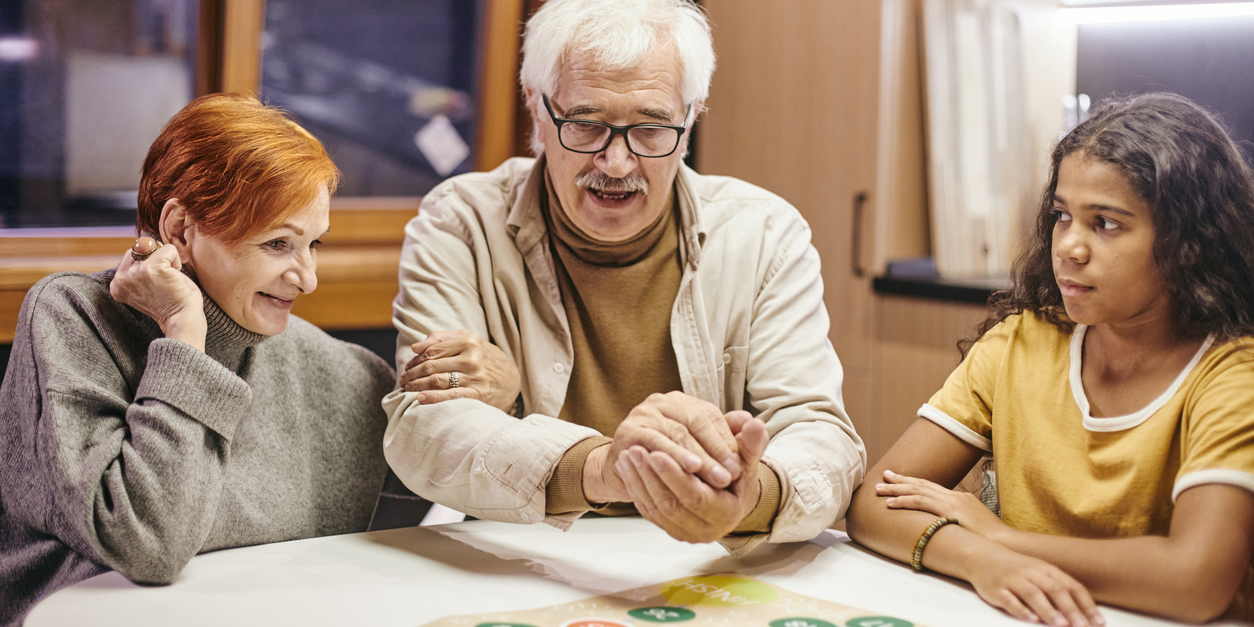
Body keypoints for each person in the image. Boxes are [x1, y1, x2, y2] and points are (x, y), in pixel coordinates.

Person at [381, 0, 864, 554]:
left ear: (690, 120)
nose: (615, 163)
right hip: (523, 555)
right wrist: (606, 467)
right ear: (538, 111)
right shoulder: (462, 223)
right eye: (585, 125)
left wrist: (750, 494)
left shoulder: (764, 235)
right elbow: (425, 433)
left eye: (652, 128)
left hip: (709, 564)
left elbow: (824, 436)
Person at [845, 92, 1254, 624]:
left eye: (1105, 223)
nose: (1069, 247)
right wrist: (981, 559)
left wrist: (1000, 537)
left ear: (1190, 243)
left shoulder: (1232, 374)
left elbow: (1194, 580)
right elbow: (873, 506)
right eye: (1062, 216)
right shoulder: (1020, 344)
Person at [0, 93, 396, 626]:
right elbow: (147, 545)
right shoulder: (72, 317)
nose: (308, 278)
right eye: (278, 244)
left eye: (313, 244)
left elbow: (455, 489)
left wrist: (492, 396)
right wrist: (186, 334)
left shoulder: (342, 370)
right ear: (181, 231)